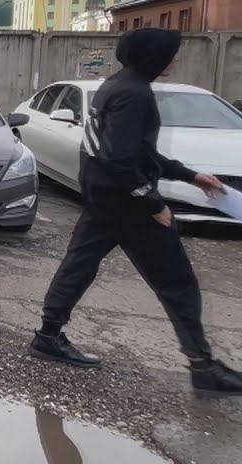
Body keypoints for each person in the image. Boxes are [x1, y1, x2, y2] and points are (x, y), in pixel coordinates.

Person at [30, 28, 242, 396]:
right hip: (126, 202)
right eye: (171, 53)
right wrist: (152, 203)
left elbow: (136, 152)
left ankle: (48, 335)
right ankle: (203, 366)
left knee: (79, 265)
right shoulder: (134, 94)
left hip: (102, 196)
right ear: (153, 57)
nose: (175, 59)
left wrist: (190, 176)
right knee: (177, 281)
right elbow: (122, 158)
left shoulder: (116, 85)